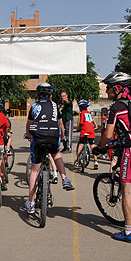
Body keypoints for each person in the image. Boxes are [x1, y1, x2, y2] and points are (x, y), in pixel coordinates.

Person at [94, 72, 131, 243]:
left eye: (109, 88)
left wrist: (100, 147)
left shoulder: (116, 107)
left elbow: (108, 134)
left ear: (117, 88)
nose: (106, 91)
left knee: (127, 190)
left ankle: (128, 231)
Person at [25, 83, 74, 214]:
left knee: (35, 170)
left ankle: (31, 202)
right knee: (57, 155)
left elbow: (29, 125)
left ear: (38, 96)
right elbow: (61, 124)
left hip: (39, 138)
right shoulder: (54, 106)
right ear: (50, 95)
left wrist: (28, 135)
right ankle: (64, 179)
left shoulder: (34, 106)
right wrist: (62, 137)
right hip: (53, 136)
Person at [74, 100, 99, 170]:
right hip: (91, 130)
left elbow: (81, 123)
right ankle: (96, 161)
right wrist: (96, 126)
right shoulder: (89, 113)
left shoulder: (82, 113)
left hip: (85, 130)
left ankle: (78, 159)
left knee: (81, 144)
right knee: (92, 145)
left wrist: (78, 128)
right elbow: (93, 121)